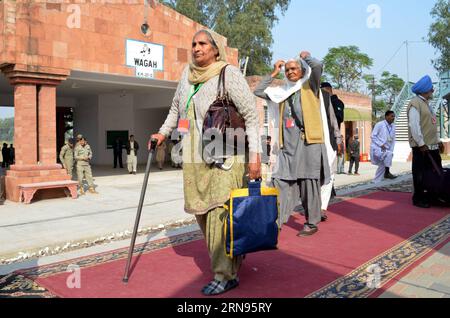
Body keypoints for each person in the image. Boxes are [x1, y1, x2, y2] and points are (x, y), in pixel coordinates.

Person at [150, 29, 260, 296]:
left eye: (202, 44)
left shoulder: (228, 74)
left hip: (225, 156)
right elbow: (176, 110)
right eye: (193, 44)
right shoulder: (187, 77)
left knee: (218, 215)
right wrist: (163, 133)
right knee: (202, 213)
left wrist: (256, 156)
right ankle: (233, 255)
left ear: (215, 49)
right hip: (193, 157)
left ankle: (224, 274)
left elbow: (251, 115)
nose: (197, 48)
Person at [254, 51, 330, 236]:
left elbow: (318, 67)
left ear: (302, 71)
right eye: (287, 70)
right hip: (287, 145)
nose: (290, 72)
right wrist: (273, 73)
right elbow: (257, 91)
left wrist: (308, 57)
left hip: (309, 143)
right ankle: (276, 221)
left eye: (294, 68)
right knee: (280, 181)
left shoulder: (310, 86)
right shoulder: (281, 92)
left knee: (308, 183)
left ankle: (311, 223)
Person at [408, 75, 444, 208]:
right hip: (422, 147)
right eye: (431, 89)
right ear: (424, 91)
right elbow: (415, 126)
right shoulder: (415, 104)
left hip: (431, 145)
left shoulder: (426, 103)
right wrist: (421, 143)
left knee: (434, 172)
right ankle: (418, 198)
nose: (433, 91)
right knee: (420, 174)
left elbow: (431, 125)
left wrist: (438, 141)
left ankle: (433, 196)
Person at [320, 87, 344, 221]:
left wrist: (339, 140)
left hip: (330, 142)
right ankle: (314, 204)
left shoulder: (335, 102)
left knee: (329, 174)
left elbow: (336, 120)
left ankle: (322, 207)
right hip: (313, 143)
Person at [321, 82, 345, 174]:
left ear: (328, 90)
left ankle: (331, 187)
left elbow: (338, 118)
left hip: (332, 137)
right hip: (323, 137)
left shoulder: (337, 102)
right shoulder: (322, 102)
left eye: (322, 91)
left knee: (330, 165)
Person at [371, 111, 397, 183]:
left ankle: (376, 180)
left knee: (384, 161)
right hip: (377, 148)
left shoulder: (393, 126)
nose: (393, 118)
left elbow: (393, 139)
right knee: (387, 156)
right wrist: (380, 144)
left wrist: (391, 149)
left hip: (386, 149)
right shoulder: (380, 124)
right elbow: (373, 136)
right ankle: (387, 172)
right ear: (386, 116)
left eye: (394, 116)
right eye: (392, 116)